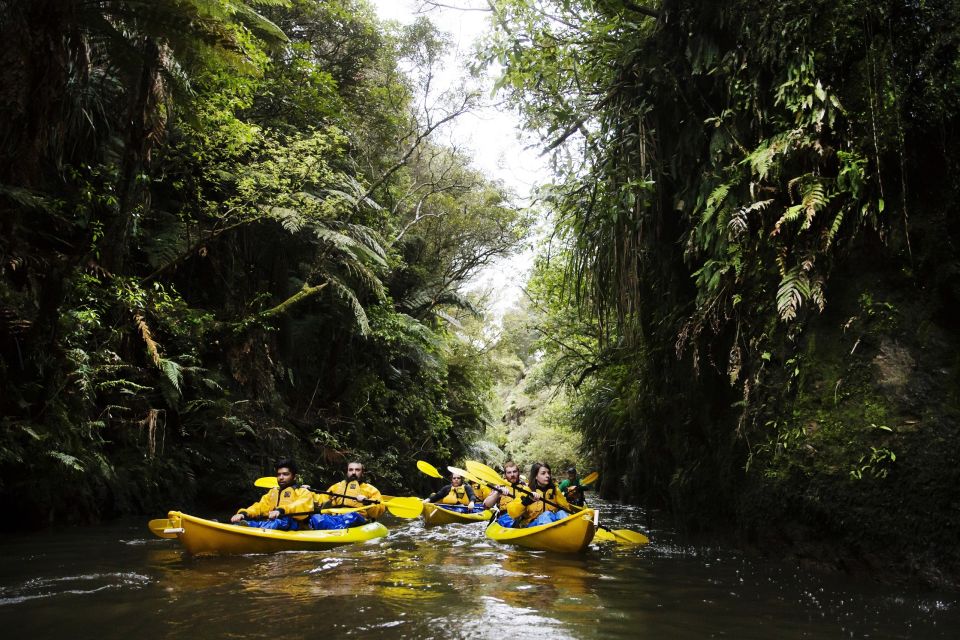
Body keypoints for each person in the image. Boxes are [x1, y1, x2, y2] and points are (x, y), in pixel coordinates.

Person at [231, 459, 314, 530]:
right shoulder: (272, 493)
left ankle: (253, 527)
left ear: (295, 477)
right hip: (272, 523)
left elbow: (301, 506)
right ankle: (244, 525)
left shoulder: (303, 492)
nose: (281, 477)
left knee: (281, 522)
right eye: (279, 474)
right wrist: (244, 513)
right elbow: (260, 506)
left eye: (285, 474)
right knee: (255, 521)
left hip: (295, 524)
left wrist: (281, 510)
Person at [308, 461, 385, 530]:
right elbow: (321, 499)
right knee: (315, 517)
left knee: (352, 516)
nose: (353, 472)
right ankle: (333, 528)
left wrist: (367, 502)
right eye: (351, 470)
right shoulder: (336, 487)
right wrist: (309, 492)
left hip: (356, 518)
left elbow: (379, 510)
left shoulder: (371, 490)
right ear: (347, 472)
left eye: (357, 470)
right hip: (336, 518)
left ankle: (334, 529)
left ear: (362, 473)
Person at [506, 462, 575, 527]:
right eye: (543, 473)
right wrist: (526, 501)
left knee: (562, 513)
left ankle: (568, 532)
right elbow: (512, 513)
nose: (547, 476)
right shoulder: (527, 490)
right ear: (536, 476)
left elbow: (566, 508)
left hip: (552, 522)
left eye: (548, 473)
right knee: (546, 515)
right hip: (533, 525)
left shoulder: (555, 490)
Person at [483, 461, 526, 526]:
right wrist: (497, 493)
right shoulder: (499, 486)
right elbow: (486, 505)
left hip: (522, 516)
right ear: (505, 475)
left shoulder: (526, 487)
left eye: (514, 472)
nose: (512, 475)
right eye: (509, 472)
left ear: (518, 472)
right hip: (506, 517)